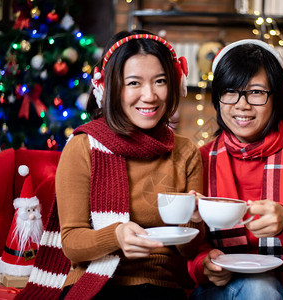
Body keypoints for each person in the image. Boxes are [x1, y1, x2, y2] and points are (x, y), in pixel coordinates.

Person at [16, 30, 204, 300]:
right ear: (110, 87)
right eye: (134, 83)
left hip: (160, 284)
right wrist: (115, 236)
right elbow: (71, 244)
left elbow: (190, 250)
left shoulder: (186, 152)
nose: (149, 95)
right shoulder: (83, 147)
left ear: (175, 83)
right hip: (94, 281)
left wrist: (194, 221)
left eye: (160, 81)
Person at [187, 39, 283, 300]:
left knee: (260, 288)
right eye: (229, 91)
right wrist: (205, 264)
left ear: (277, 98)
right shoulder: (201, 159)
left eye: (256, 92)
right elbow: (192, 246)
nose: (241, 104)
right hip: (220, 292)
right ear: (218, 98)